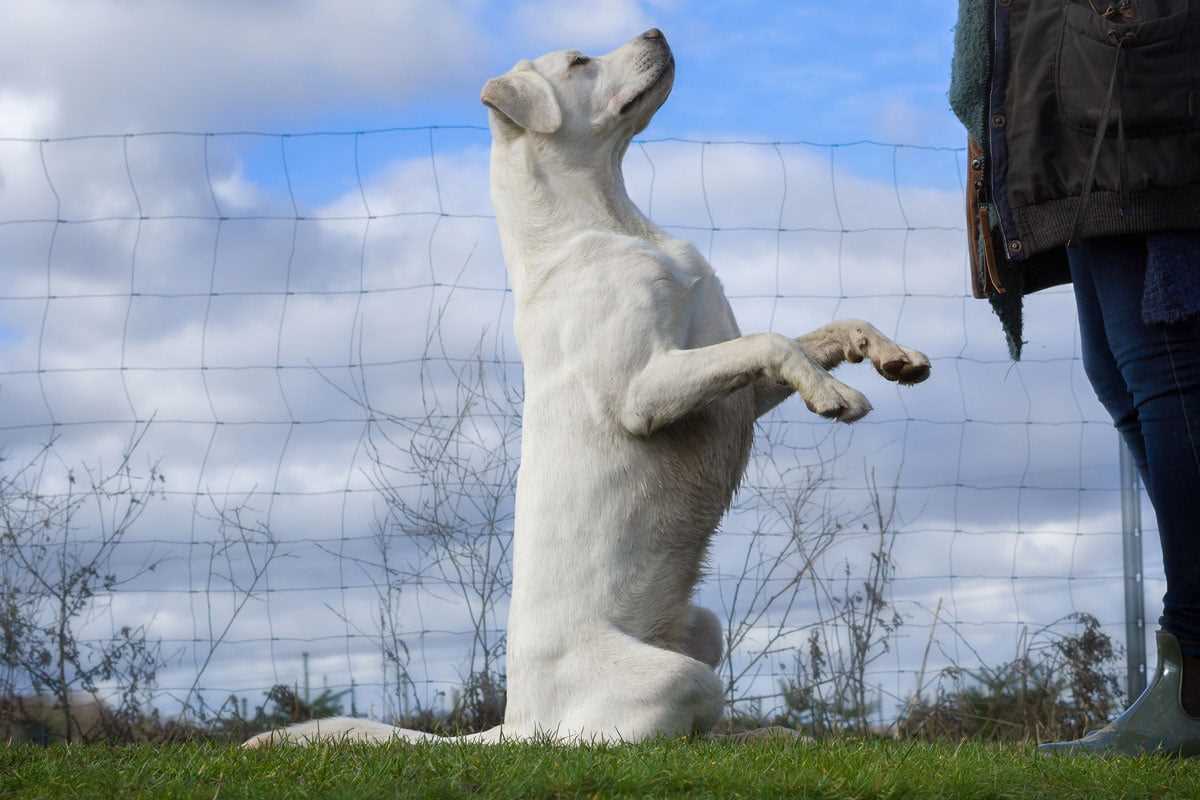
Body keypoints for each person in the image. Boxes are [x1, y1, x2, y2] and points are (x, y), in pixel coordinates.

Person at [951, 0, 1200, 756]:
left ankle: (1194, 670)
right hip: (1075, 92)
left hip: (1140, 83)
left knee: (1167, 370)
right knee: (1123, 378)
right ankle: (1187, 671)